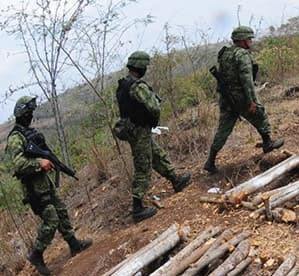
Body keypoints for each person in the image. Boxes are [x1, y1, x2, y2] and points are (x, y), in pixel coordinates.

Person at [5, 96, 92, 276]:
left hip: (45, 185)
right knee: (51, 220)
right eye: (29, 112)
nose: (31, 116)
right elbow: (17, 164)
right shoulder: (15, 138)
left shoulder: (29, 132)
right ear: (22, 114)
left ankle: (74, 244)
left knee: (61, 211)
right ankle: (37, 254)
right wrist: (39, 163)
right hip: (34, 190)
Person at [116, 51, 191, 222]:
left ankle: (176, 179)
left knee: (156, 155)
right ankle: (137, 208)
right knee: (143, 166)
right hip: (139, 130)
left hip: (133, 129)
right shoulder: (137, 86)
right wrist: (155, 107)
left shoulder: (123, 84)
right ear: (140, 66)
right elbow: (154, 107)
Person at [204, 26, 284, 174]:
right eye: (249, 38)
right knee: (260, 114)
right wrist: (252, 101)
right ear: (241, 40)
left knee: (223, 129)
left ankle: (210, 161)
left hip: (226, 98)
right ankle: (268, 143)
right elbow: (247, 81)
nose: (251, 41)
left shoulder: (225, 53)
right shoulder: (242, 55)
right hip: (241, 97)